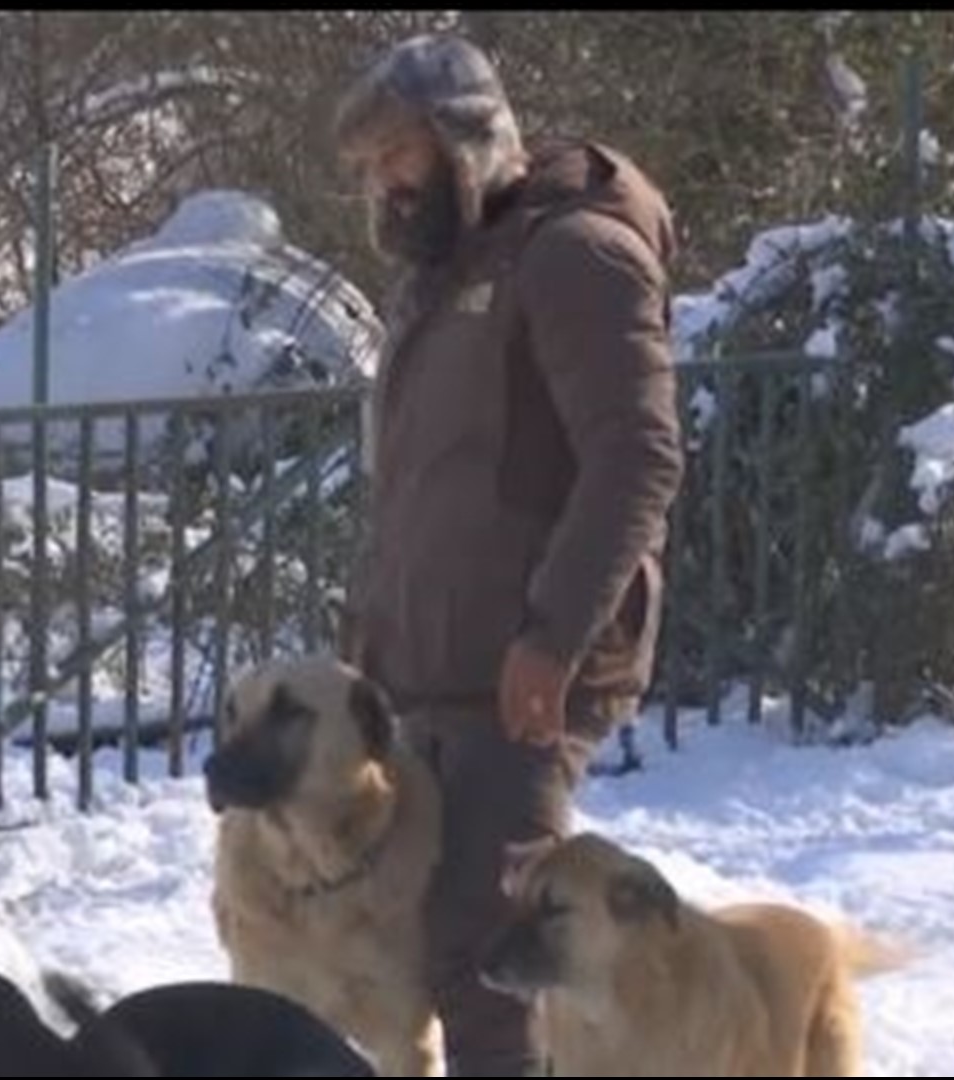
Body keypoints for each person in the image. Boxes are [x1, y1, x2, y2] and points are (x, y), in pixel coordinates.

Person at [331, 33, 685, 1077]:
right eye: (372, 164)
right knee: (431, 944)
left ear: (465, 139)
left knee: (498, 958)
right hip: (427, 674)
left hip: (521, 674)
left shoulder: (575, 253)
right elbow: (432, 488)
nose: (386, 182)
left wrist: (555, 635)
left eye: (400, 152)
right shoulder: (450, 273)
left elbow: (637, 456)